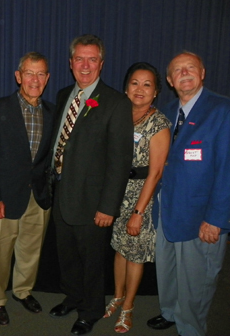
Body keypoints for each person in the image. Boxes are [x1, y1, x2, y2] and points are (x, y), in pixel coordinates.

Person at [48, 34, 133, 335]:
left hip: (94, 202)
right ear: (70, 63)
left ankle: (91, 309)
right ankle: (73, 297)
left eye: (92, 59)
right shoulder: (62, 96)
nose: (85, 65)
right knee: (66, 255)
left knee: (92, 261)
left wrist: (108, 207)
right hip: (61, 193)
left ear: (101, 63)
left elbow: (120, 161)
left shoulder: (116, 103)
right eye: (79, 59)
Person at [146, 52, 230, 336]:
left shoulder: (223, 110)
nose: (184, 73)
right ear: (170, 80)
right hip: (167, 210)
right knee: (168, 272)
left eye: (190, 68)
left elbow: (227, 169)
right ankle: (170, 312)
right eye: (177, 70)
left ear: (203, 72)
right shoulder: (166, 112)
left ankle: (191, 328)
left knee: (196, 279)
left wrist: (217, 219)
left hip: (201, 217)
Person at [0, 52, 53, 326]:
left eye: (40, 74)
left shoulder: (51, 111)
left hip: (37, 196)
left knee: (30, 250)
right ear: (18, 76)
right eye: (29, 73)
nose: (35, 80)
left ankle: (23, 291)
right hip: (3, 197)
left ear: (47, 78)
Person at [104, 62, 170, 333]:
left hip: (143, 196)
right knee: (119, 250)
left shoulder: (159, 123)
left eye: (147, 84)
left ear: (155, 92)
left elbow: (155, 173)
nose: (140, 89)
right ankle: (117, 296)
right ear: (125, 87)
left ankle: (128, 306)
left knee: (135, 256)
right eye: (134, 83)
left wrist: (138, 212)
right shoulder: (119, 115)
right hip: (119, 192)